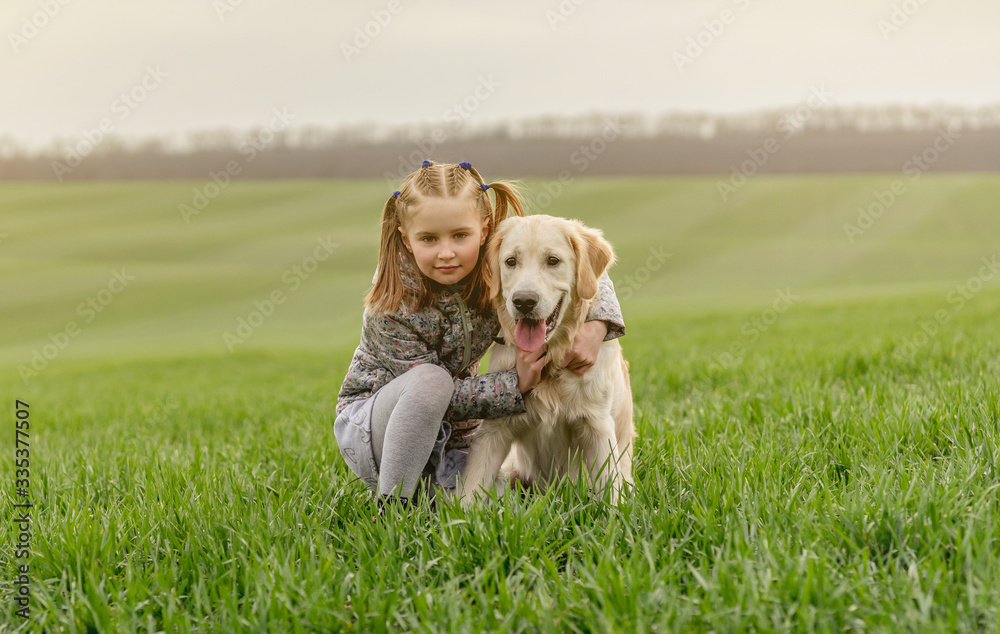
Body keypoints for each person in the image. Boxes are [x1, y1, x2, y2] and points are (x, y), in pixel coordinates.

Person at [334, 160, 626, 512]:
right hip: (377, 431)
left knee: (506, 507)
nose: (446, 252)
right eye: (429, 238)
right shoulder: (392, 304)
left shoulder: (494, 266)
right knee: (431, 381)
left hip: (451, 437)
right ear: (407, 241)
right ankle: (392, 505)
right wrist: (513, 384)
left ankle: (433, 498)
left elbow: (582, 265)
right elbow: (434, 399)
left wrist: (598, 325)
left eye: (459, 236)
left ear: (484, 232)